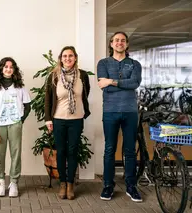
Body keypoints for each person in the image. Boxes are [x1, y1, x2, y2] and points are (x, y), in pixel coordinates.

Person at [97, 31, 142, 202]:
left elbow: (135, 83)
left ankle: (131, 186)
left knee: (130, 151)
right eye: (116, 40)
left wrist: (112, 81)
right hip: (110, 111)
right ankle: (108, 186)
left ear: (127, 44)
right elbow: (104, 86)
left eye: (123, 40)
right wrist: (116, 84)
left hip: (130, 112)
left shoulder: (135, 64)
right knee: (110, 149)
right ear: (111, 44)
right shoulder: (103, 63)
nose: (119, 43)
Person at [44, 46, 90, 200]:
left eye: (70, 56)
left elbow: (85, 93)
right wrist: (48, 119)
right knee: (61, 151)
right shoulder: (54, 76)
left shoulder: (82, 75)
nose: (67, 58)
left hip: (76, 120)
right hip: (58, 119)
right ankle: (63, 183)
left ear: (75, 58)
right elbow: (48, 99)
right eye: (65, 56)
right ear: (60, 58)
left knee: (72, 151)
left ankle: (70, 183)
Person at [0, 57, 31, 197]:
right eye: (5, 67)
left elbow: (28, 106)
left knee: (15, 154)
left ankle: (14, 182)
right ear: (1, 69)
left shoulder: (20, 88)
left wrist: (20, 121)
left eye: (11, 67)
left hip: (15, 125)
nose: (8, 69)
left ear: (14, 70)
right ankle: (0, 181)